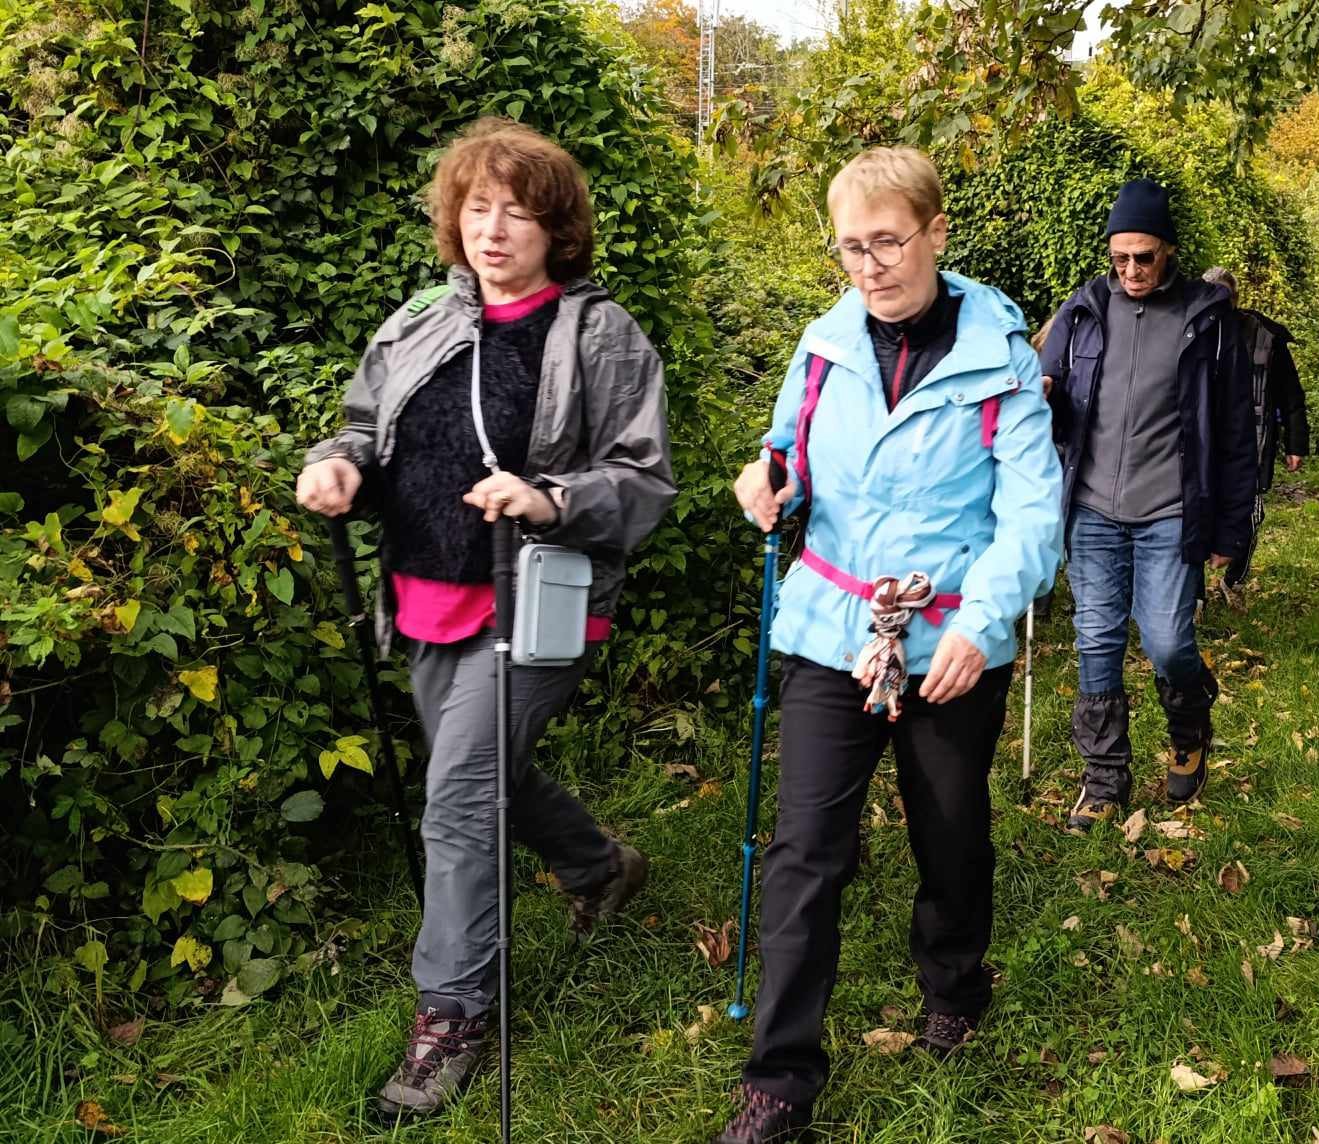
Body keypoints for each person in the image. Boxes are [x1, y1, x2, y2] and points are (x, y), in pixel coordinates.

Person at [295, 118, 676, 1124]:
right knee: (488, 775)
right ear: (454, 219)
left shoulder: (599, 332)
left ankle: (453, 1017)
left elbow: (644, 479)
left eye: (518, 212)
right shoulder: (422, 316)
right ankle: (600, 864)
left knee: (458, 798)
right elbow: (362, 426)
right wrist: (338, 467)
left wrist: (550, 498)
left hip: (536, 606)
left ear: (558, 231)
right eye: (477, 207)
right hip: (426, 597)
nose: (494, 228)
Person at [722, 146, 1060, 1144]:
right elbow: (785, 445)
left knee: (948, 831)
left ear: (936, 232)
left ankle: (954, 985)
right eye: (850, 247)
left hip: (953, 635)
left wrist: (982, 623)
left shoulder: (1002, 356)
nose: (869, 266)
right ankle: (780, 1083)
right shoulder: (823, 346)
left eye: (887, 241)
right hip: (834, 632)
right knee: (804, 851)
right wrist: (767, 479)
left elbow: (1033, 515)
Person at [1040, 179, 1256, 833]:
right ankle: (1104, 779)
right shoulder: (1081, 314)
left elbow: (1237, 439)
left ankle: (1189, 723)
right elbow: (1039, 403)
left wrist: (1231, 532)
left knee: (1166, 642)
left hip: (1169, 512)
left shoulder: (1210, 321)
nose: (1131, 270)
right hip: (1094, 512)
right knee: (1097, 642)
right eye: (1121, 258)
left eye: (1145, 257)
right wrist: (1041, 397)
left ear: (1170, 251)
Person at [1203, 266, 1309, 591]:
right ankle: (1193, 594)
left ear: (1236, 299)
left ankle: (1233, 580)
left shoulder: (1265, 338)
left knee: (1251, 514)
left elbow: (1290, 395)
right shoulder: (1187, 332)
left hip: (1252, 444)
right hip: (1202, 444)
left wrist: (1296, 444)